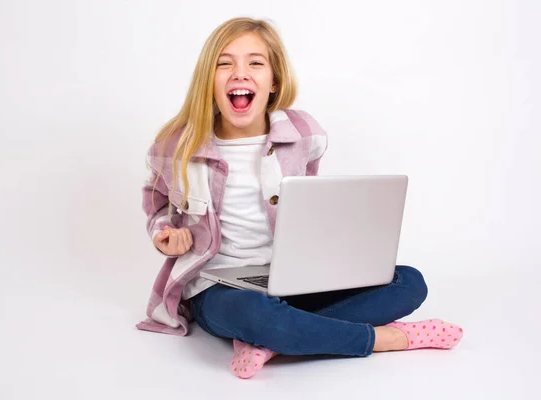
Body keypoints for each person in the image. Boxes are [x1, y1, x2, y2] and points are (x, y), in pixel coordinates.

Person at [136, 17, 463, 379]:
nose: (239, 73)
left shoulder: (303, 134)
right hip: (218, 288)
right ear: (208, 80)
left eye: (255, 63)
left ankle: (271, 341)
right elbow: (157, 203)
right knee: (253, 314)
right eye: (224, 63)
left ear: (274, 80)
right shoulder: (176, 146)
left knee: (409, 282)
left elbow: (309, 208)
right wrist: (166, 233)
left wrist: (330, 254)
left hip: (289, 278)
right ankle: (386, 339)